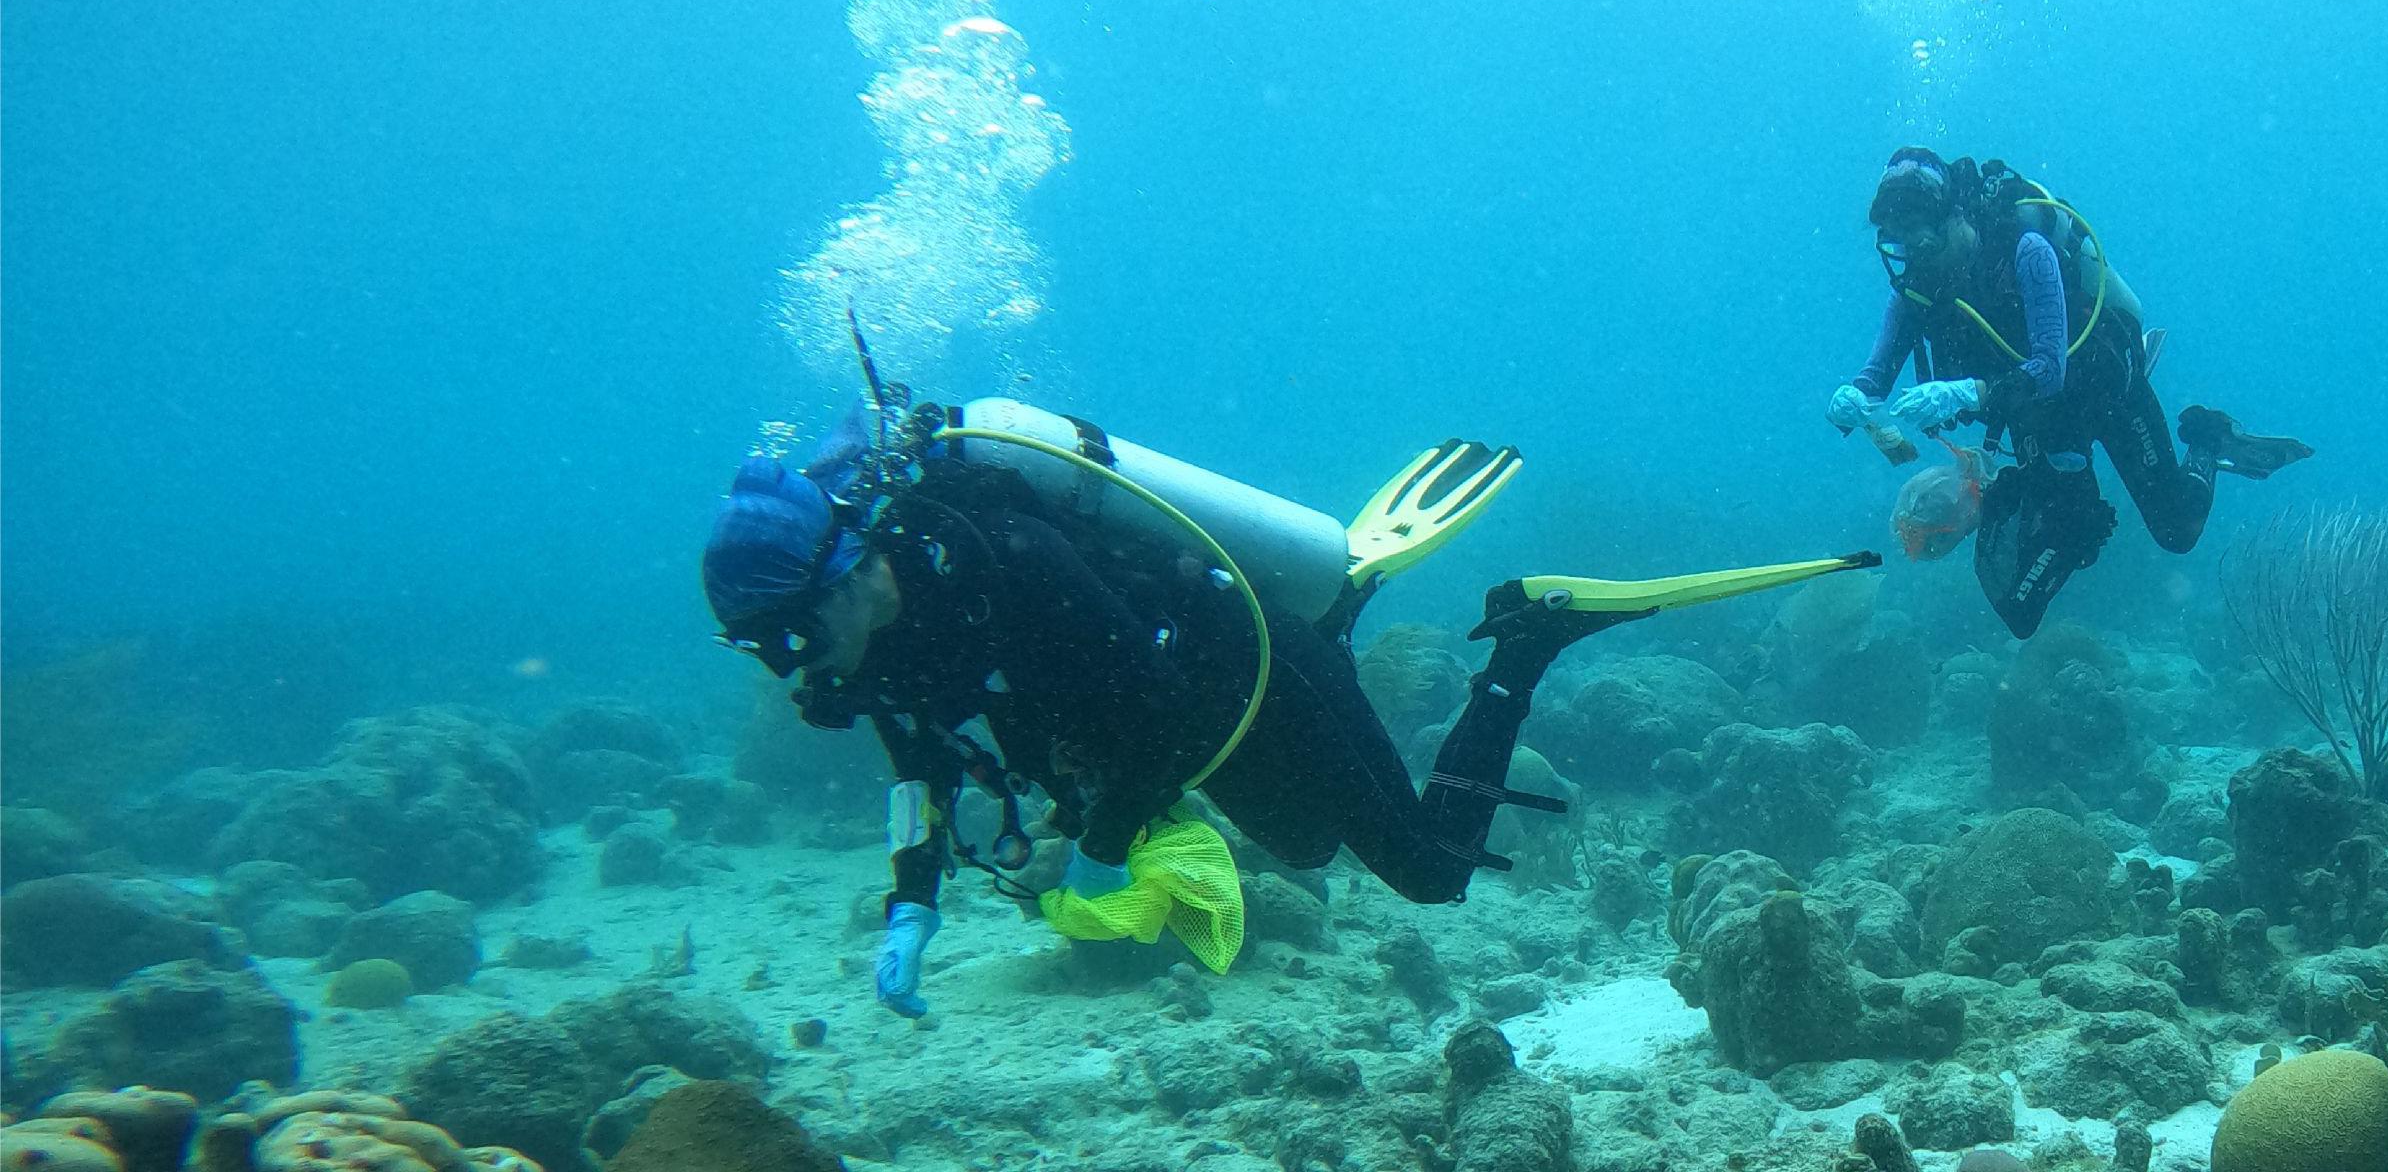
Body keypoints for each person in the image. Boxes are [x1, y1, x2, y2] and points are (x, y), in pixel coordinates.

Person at [703, 397, 1872, 1017]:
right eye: (767, 648)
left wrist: (1104, 843)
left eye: (788, 634)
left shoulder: (1004, 557)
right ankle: (1346, 617)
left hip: (1248, 666)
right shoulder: (885, 641)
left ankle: (1528, 637)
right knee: (1309, 844)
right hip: (1202, 716)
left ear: (843, 571)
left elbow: (1154, 700)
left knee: (1426, 869)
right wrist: (913, 903)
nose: (792, 668)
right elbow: (917, 764)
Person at [1826, 148, 2313, 637]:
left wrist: (1965, 394)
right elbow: (1877, 373)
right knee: (2019, 606)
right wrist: (1852, 400)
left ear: (1951, 214)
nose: (1914, 254)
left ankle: (2208, 439)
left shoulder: (2025, 249)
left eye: (1921, 236)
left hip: (2103, 393)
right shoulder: (1913, 291)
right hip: (2041, 425)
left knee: (2176, 531)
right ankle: (2063, 513)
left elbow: (2049, 368)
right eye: (1900, 242)